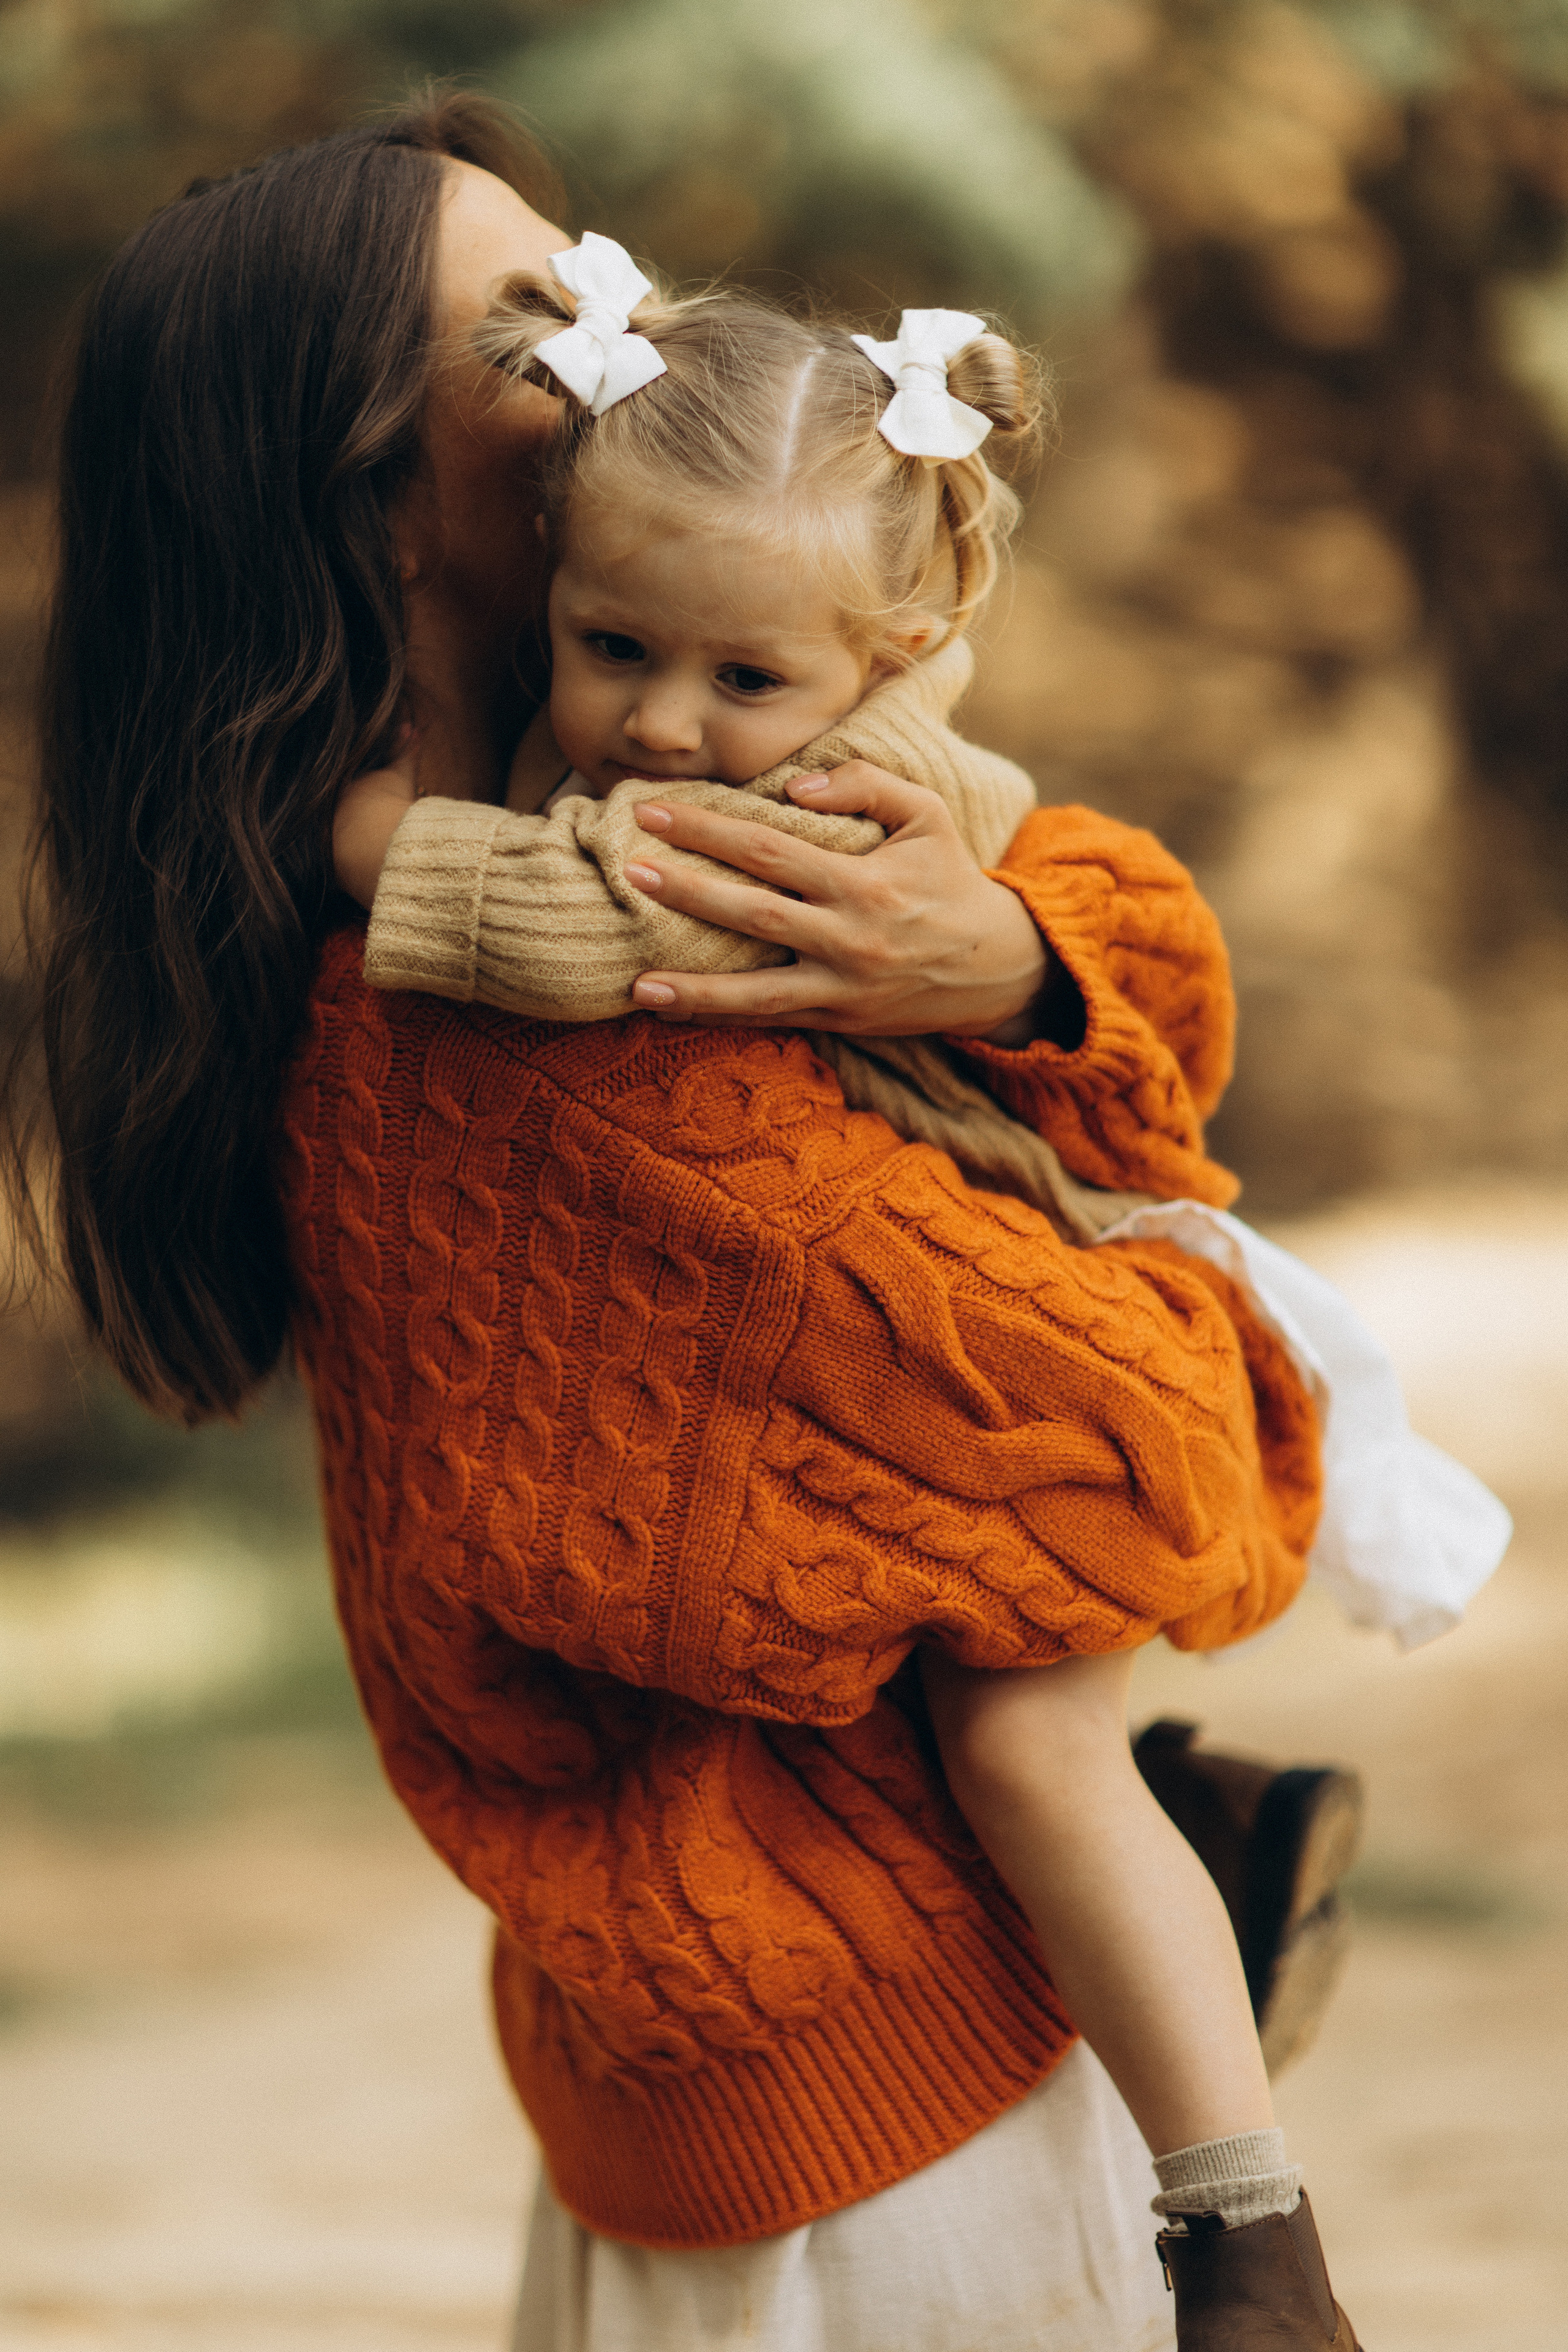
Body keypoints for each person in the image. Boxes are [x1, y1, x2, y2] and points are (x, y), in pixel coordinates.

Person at [16, 90, 1430, 2352]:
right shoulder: (504, 1016)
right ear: (380, 494)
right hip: (873, 2118)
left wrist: (1015, 962)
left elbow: (1131, 957)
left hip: (738, 2050)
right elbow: (1115, 1463)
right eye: (532, 329)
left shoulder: (661, 771)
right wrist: (1220, 1354)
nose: (625, 337)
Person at [331, 233, 1375, 2345]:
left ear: (886, 652)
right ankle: (1189, 1859)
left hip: (1032, 1241)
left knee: (1023, 1743)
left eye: (740, 681)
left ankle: (1248, 2233)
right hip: (943, 1291)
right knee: (1009, 1738)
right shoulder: (770, 677)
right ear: (551, 584)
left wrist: (362, 845)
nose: (663, 725)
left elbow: (562, 932)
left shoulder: (804, 807)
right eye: (612, 648)